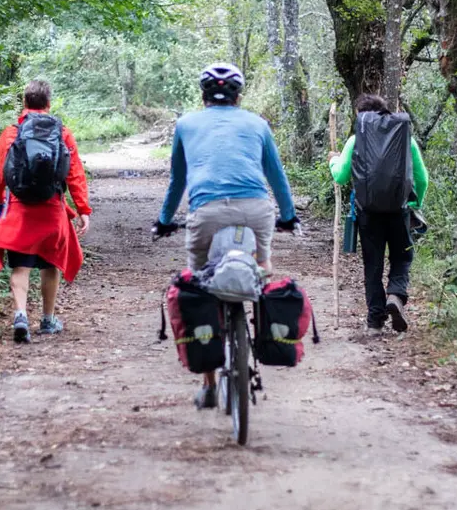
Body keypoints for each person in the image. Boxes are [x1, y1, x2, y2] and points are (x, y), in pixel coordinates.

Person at [152, 62, 299, 408]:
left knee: (200, 282)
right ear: (239, 96)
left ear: (203, 95)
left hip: (207, 213)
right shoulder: (258, 124)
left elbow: (178, 180)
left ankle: (207, 385)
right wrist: (289, 217)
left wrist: (163, 220)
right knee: (262, 268)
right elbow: (276, 177)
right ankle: (262, 328)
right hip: (256, 211)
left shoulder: (186, 124)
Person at [0, 79, 91, 343]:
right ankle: (47, 319)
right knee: (51, 264)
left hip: (20, 210)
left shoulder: (11, 133)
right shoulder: (62, 132)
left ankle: (21, 314)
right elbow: (75, 173)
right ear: (48, 103)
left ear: (25, 102)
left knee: (21, 266)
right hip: (52, 209)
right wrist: (82, 209)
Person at [329, 94, 428, 334]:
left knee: (372, 265)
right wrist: (415, 202)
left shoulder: (356, 140)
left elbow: (341, 176)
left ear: (360, 116)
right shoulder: (406, 139)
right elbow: (422, 178)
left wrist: (333, 161)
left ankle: (375, 320)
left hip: (368, 213)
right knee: (402, 258)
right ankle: (395, 295)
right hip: (399, 210)